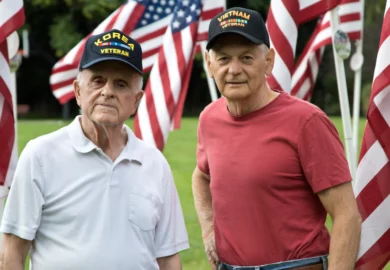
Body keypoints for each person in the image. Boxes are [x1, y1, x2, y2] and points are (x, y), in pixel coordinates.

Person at [0, 29, 189, 270]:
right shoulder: (41, 155)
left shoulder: (154, 164)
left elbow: (168, 258)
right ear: (78, 91)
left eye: (121, 84)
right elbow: (12, 251)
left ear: (136, 101)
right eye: (98, 81)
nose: (107, 92)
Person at [192, 7, 362, 270]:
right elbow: (201, 176)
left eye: (246, 58)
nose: (234, 69)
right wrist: (207, 228)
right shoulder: (209, 119)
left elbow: (346, 216)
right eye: (224, 59)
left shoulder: (307, 122)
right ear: (209, 64)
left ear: (269, 61)